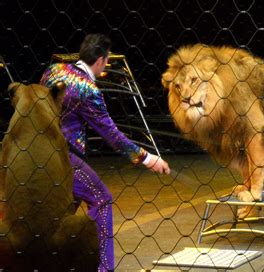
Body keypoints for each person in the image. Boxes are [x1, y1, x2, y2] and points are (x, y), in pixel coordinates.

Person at [40, 33, 170, 272]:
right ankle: (103, 267)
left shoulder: (54, 70)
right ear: (100, 59)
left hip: (39, 154)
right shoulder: (87, 89)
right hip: (65, 158)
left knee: (61, 212)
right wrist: (148, 158)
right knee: (101, 199)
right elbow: (112, 135)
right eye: (107, 59)